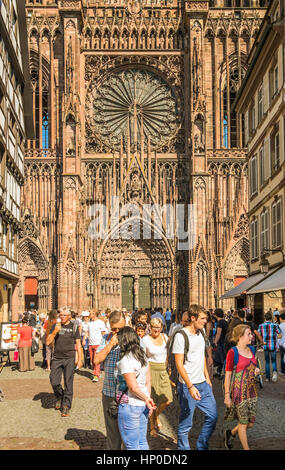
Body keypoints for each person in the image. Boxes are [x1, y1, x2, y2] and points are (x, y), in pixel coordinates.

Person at [172, 304, 217, 450]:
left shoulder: (202, 332)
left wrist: (207, 378)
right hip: (187, 385)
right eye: (203, 318)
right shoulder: (181, 336)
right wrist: (189, 385)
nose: (206, 321)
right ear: (193, 318)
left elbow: (201, 356)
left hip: (203, 383)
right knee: (186, 423)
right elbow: (179, 364)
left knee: (213, 416)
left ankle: (201, 445)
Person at [116, 326, 156, 450]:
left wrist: (146, 399)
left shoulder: (126, 359)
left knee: (131, 445)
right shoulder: (142, 356)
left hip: (130, 405)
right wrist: (147, 399)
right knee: (142, 441)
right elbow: (148, 381)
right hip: (142, 405)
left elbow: (133, 387)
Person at [224, 324, 260, 450]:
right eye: (249, 334)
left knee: (250, 423)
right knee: (243, 423)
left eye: (251, 334)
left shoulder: (252, 349)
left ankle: (231, 433)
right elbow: (228, 376)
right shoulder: (232, 352)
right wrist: (227, 395)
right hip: (239, 392)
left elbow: (254, 366)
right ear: (240, 336)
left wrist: (257, 370)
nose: (252, 336)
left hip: (252, 391)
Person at [94, 310, 125, 450]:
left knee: (129, 431)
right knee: (112, 432)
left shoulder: (132, 338)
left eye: (120, 328)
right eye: (114, 329)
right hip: (109, 391)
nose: (117, 332)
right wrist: (111, 344)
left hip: (128, 394)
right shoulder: (107, 338)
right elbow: (96, 360)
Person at [46, 307, 82, 417]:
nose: (61, 317)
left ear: (69, 316)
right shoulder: (55, 326)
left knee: (68, 382)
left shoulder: (74, 327)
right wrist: (55, 332)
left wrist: (80, 359)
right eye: (60, 315)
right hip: (57, 357)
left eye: (64, 315)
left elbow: (78, 344)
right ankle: (60, 396)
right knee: (54, 380)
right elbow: (48, 342)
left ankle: (66, 405)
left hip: (69, 357)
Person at [140, 317, 173, 437]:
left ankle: (156, 416)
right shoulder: (145, 340)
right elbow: (142, 358)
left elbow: (168, 354)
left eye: (159, 327)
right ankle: (152, 427)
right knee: (152, 400)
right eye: (154, 327)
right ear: (150, 327)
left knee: (168, 399)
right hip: (151, 369)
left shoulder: (165, 337)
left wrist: (168, 367)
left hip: (163, 370)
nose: (156, 330)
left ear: (162, 327)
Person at [257, 311, 282, 382]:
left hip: (265, 346)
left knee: (267, 361)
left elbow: (258, 335)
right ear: (271, 318)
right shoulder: (275, 325)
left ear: (265, 318)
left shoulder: (261, 326)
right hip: (273, 345)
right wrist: (274, 336)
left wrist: (262, 341)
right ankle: (274, 373)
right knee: (274, 361)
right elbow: (280, 335)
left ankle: (267, 377)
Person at [82, 310, 106, 382]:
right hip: (90, 343)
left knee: (96, 360)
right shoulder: (89, 323)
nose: (89, 315)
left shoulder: (100, 322)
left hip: (98, 343)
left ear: (95, 314)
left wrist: (104, 342)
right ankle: (98, 371)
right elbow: (87, 332)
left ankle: (96, 375)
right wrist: (83, 340)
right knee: (92, 360)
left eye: (91, 314)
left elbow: (103, 332)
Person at [212, 308, 228, 380]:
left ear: (216, 315)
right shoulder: (225, 321)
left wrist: (215, 342)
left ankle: (224, 373)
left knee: (223, 358)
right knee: (222, 358)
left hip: (221, 342)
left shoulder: (220, 323)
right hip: (224, 341)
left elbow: (218, 333)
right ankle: (219, 372)